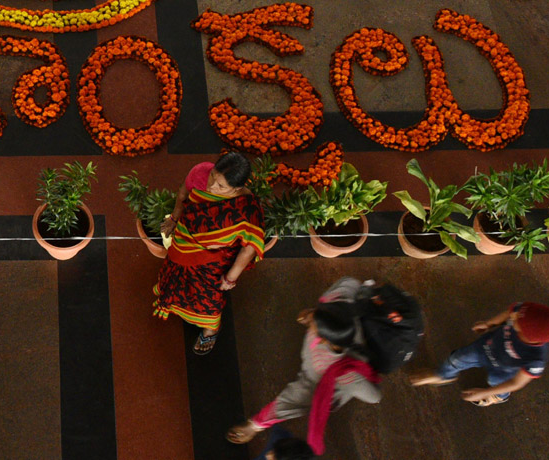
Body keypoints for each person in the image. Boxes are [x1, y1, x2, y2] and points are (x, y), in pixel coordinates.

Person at [227, 277, 382, 453]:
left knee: (296, 400)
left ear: (323, 339)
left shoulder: (339, 374)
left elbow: (374, 397)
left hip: (319, 387)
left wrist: (254, 425)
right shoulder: (340, 302)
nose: (307, 317)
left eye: (312, 322)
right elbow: (350, 282)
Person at [152, 151, 266, 354]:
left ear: (238, 188)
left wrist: (230, 278)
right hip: (181, 248)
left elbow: (249, 249)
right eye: (213, 175)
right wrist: (174, 219)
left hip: (209, 266)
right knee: (173, 281)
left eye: (221, 186)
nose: (212, 185)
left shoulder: (248, 209)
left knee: (208, 302)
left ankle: (210, 329)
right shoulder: (199, 172)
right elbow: (182, 194)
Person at [410, 302, 549, 406]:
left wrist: (484, 392)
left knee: (499, 384)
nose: (514, 317)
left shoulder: (536, 359)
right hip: (483, 348)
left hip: (504, 372)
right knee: (456, 358)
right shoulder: (524, 312)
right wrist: (489, 323)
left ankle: (498, 397)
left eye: (518, 321)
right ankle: (443, 375)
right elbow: (509, 312)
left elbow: (516, 383)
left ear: (529, 336)